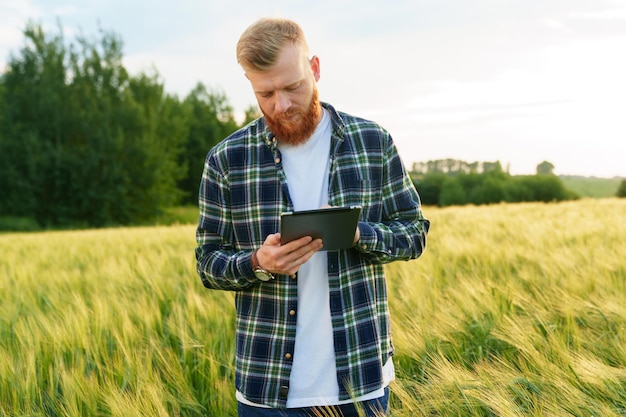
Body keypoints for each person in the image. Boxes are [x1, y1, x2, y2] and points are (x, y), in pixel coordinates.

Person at [195, 17, 430, 417]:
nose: (280, 105)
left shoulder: (372, 143)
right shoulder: (226, 160)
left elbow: (414, 233)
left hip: (359, 380)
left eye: (292, 87)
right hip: (266, 388)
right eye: (265, 93)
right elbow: (208, 263)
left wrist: (359, 234)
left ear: (315, 68)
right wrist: (257, 263)